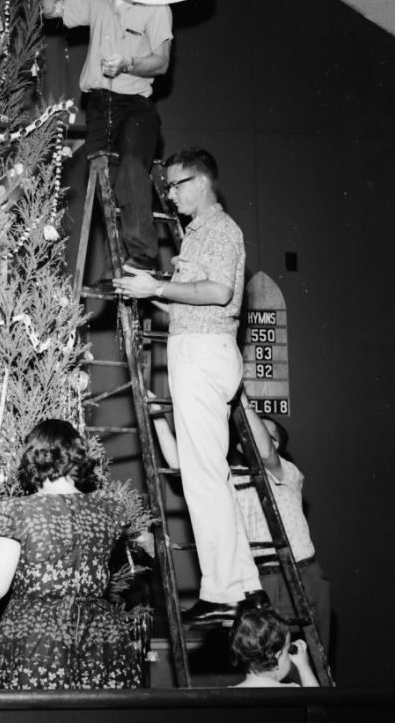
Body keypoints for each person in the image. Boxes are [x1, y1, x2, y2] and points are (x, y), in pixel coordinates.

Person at [113, 148, 265, 624]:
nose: (171, 194)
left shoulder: (220, 229)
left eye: (177, 185)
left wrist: (155, 288)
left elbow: (218, 292)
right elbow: (191, 305)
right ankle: (246, 586)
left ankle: (221, 592)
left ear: (201, 182)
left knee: (202, 481)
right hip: (199, 349)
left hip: (202, 355)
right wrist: (145, 288)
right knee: (210, 477)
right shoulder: (204, 234)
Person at [0, 418, 145, 689]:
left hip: (36, 637)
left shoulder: (16, 512)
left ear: (32, 457)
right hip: (101, 637)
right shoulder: (108, 510)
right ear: (78, 457)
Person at [150, 396, 331, 647]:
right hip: (259, 580)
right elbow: (183, 467)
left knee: (308, 659)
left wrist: (242, 401)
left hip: (300, 575)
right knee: (266, 660)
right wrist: (157, 416)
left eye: (265, 434)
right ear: (238, 447)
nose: (251, 436)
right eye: (245, 432)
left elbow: (265, 453)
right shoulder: (230, 478)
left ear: (277, 444)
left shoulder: (287, 473)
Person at [42, 0, 173, 272]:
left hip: (136, 106)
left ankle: (142, 258)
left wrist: (128, 63)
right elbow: (52, 12)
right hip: (99, 106)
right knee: (103, 184)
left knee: (131, 168)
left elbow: (161, 62)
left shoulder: (156, 6)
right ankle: (117, 264)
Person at [229, 607, 319, 688]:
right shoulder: (291, 693)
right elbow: (317, 704)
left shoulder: (227, 696)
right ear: (277, 656)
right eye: (288, 650)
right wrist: (304, 668)